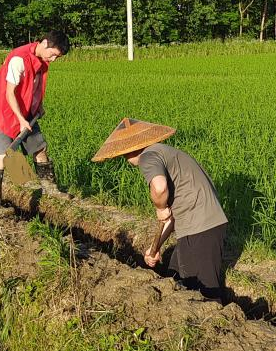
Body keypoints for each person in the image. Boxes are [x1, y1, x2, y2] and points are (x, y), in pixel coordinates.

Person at [92, 118, 229, 302]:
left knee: (204, 293)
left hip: (200, 227)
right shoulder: (163, 152)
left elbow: (159, 188)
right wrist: (154, 248)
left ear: (130, 149)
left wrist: (160, 207)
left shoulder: (148, 157)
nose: (123, 158)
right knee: (173, 275)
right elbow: (171, 217)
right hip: (197, 225)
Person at [0, 31, 70, 204]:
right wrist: (21, 120)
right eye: (53, 55)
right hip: (3, 111)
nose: (53, 60)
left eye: (57, 57)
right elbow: (10, 93)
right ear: (44, 43)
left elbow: (35, 85)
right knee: (5, 156)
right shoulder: (18, 59)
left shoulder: (42, 61)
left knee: (40, 149)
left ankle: (51, 191)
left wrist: (39, 105)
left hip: (27, 112)